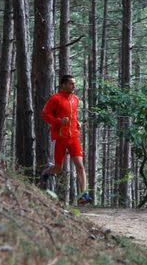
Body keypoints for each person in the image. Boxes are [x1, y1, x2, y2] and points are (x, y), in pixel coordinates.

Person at [41, 75, 93, 205]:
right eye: (71, 84)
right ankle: (48, 170)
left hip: (74, 137)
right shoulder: (55, 99)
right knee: (59, 169)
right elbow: (45, 114)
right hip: (61, 137)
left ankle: (83, 195)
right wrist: (58, 121)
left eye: (74, 84)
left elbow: (73, 115)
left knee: (80, 166)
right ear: (63, 85)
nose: (74, 86)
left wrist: (77, 123)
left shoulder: (75, 99)